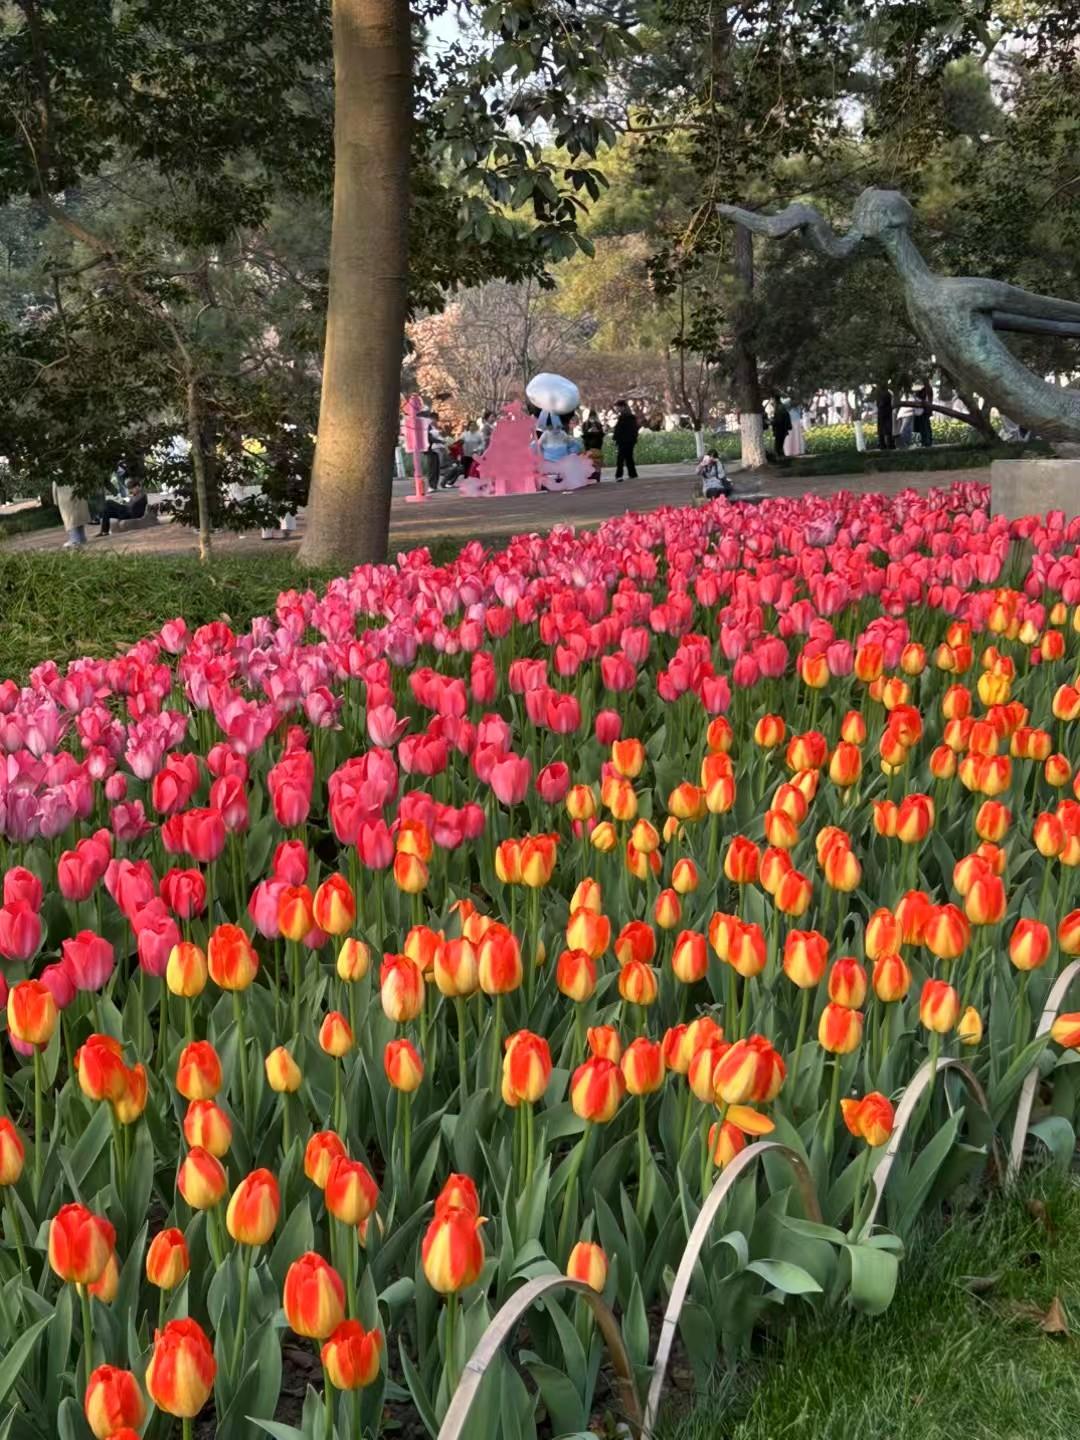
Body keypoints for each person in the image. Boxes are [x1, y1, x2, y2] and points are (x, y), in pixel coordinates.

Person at [52, 482, 91, 548]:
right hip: (78, 491)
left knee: (69, 518)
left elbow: (55, 483)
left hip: (65, 494)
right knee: (78, 517)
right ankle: (81, 537)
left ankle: (74, 539)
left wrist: (55, 499)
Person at [612, 400, 639, 481]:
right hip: (629, 440)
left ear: (623, 407)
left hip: (624, 440)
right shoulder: (630, 417)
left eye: (618, 407)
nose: (617, 409)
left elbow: (620, 430)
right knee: (628, 457)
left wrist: (616, 437)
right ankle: (632, 473)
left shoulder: (625, 418)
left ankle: (619, 475)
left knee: (620, 458)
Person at [581, 409, 605, 480]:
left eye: (594, 416)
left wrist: (597, 432)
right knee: (590, 462)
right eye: (591, 416)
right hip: (588, 446)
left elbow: (601, 435)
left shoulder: (598, 424)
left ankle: (597, 477)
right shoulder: (585, 424)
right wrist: (590, 431)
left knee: (597, 462)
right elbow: (584, 435)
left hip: (597, 446)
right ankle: (591, 476)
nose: (593, 418)